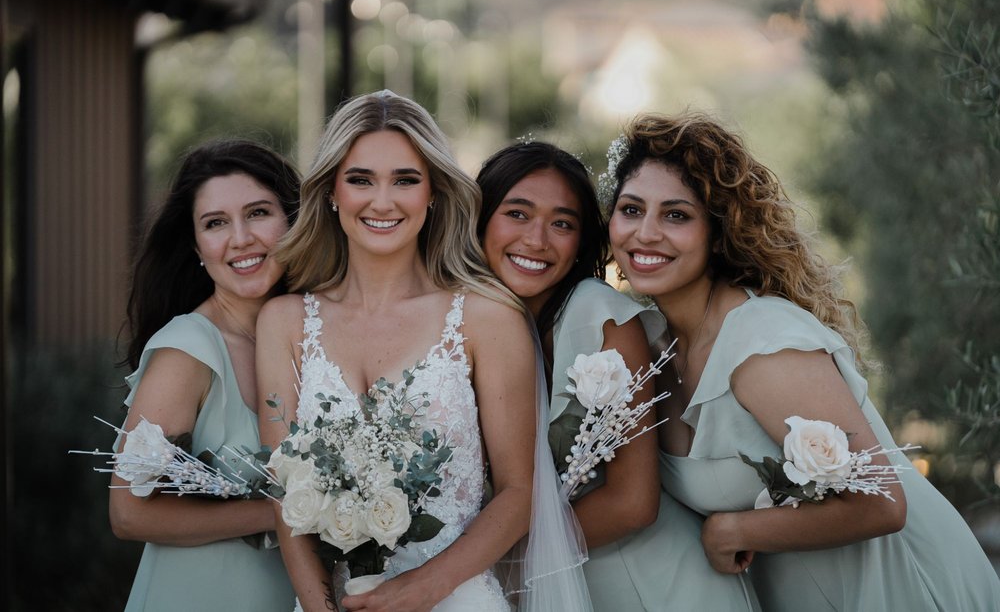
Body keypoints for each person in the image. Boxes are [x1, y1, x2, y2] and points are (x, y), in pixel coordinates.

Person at [605, 112, 1000, 611]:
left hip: (895, 588)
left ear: (717, 232)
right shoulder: (653, 347)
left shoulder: (762, 341)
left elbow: (883, 504)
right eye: (631, 209)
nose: (645, 233)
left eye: (676, 215)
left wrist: (734, 530)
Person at [257, 91, 589, 612]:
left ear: (433, 192)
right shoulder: (284, 322)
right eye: (360, 179)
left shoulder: (486, 319)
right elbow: (284, 491)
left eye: (405, 180)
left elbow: (518, 494)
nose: (382, 201)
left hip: (455, 598)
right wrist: (322, 608)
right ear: (331, 192)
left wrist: (420, 590)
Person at [477, 140, 759, 611]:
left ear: (581, 241)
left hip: (654, 585)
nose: (537, 240)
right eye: (517, 214)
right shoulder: (470, 326)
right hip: (561, 587)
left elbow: (633, 503)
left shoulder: (602, 318)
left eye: (562, 223)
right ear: (480, 219)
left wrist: (484, 563)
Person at [109, 139, 301, 611]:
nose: (241, 238)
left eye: (258, 213)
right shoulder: (188, 349)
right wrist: (286, 513)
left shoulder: (312, 337)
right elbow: (129, 513)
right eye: (216, 223)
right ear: (197, 246)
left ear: (294, 220)